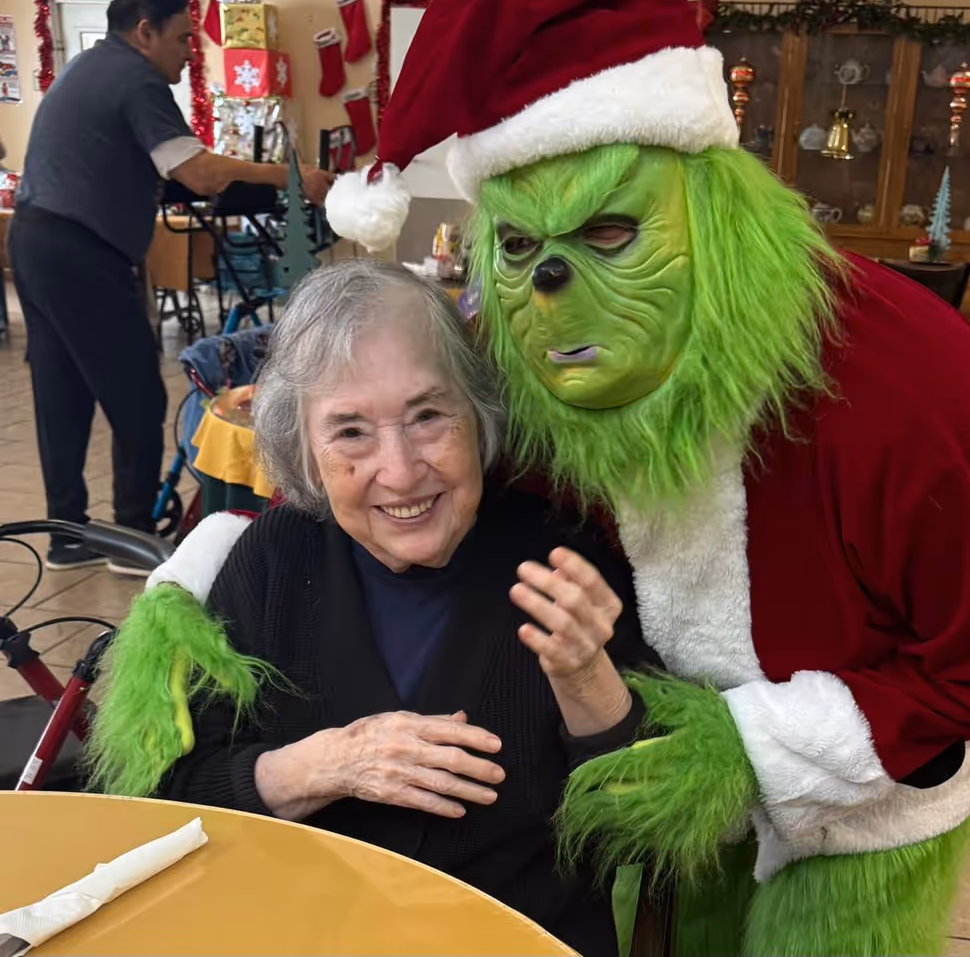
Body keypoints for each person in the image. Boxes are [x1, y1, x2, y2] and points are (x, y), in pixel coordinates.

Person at [317, 0, 970, 956]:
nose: (552, 289)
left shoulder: (905, 377)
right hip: (657, 739)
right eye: (521, 250)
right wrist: (206, 579)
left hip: (875, 777)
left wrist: (754, 746)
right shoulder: (522, 360)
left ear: (714, 212)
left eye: (613, 231)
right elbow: (415, 491)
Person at [89, 260, 656, 957]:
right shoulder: (274, 557)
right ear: (305, 450)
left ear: (478, 415)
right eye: (351, 431)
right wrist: (327, 765)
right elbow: (172, 796)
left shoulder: (565, 557)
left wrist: (585, 682)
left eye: (427, 415)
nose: (400, 469)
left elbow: (646, 841)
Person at [9, 0, 332, 573]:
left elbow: (145, 168)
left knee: (63, 394)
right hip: (83, 253)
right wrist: (294, 176)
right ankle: (133, 536)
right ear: (144, 31)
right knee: (137, 393)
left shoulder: (88, 68)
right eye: (184, 38)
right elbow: (202, 175)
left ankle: (67, 535)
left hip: (34, 240)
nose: (191, 52)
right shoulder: (135, 77)